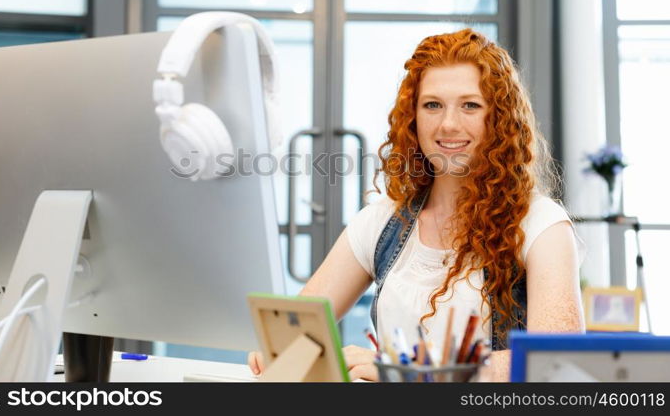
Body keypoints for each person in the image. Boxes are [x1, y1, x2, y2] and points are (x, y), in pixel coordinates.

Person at [249, 29, 585, 381]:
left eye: (470, 105)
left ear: (498, 119)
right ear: (413, 117)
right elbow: (296, 327)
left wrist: (412, 368)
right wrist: (280, 349)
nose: (448, 124)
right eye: (432, 105)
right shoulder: (381, 221)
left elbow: (557, 360)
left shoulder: (541, 224)